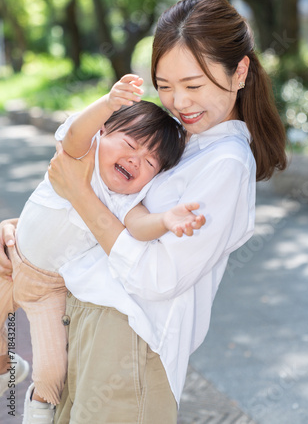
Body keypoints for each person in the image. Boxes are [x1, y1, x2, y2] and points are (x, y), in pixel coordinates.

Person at [0, 0, 287, 424]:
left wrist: (78, 193)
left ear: (240, 71)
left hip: (127, 343)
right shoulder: (180, 140)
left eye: (194, 85)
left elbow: (158, 277)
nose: (179, 102)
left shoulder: (225, 162)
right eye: (165, 86)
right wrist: (30, 233)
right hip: (84, 324)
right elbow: (109, 209)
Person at [0, 75, 206, 423]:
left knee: (52, 369)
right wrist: (108, 103)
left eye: (151, 162)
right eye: (130, 143)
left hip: (48, 288)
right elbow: (76, 132)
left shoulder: (124, 199)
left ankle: (37, 411)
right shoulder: (81, 156)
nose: (137, 159)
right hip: (9, 258)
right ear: (103, 133)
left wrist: (167, 219)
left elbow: (140, 226)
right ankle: (7, 366)